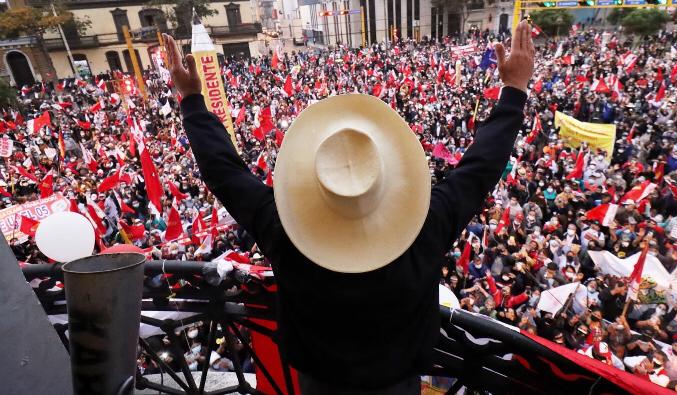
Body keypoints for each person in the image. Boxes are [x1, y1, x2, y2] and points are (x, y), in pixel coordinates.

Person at [162, 21, 535, 393]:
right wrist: (514, 91)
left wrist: (193, 101)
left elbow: (223, 171)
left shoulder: (282, 227)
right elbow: (479, 169)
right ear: (391, 172)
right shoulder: (428, 222)